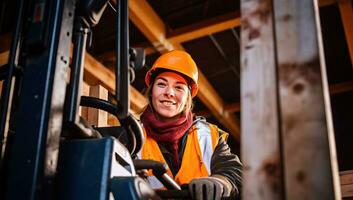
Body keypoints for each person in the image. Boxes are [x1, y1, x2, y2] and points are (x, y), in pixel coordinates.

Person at [138, 50, 242, 200]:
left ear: (188, 97)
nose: (169, 92)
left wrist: (220, 181)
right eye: (161, 84)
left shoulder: (208, 136)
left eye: (179, 87)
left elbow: (235, 172)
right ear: (151, 91)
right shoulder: (132, 135)